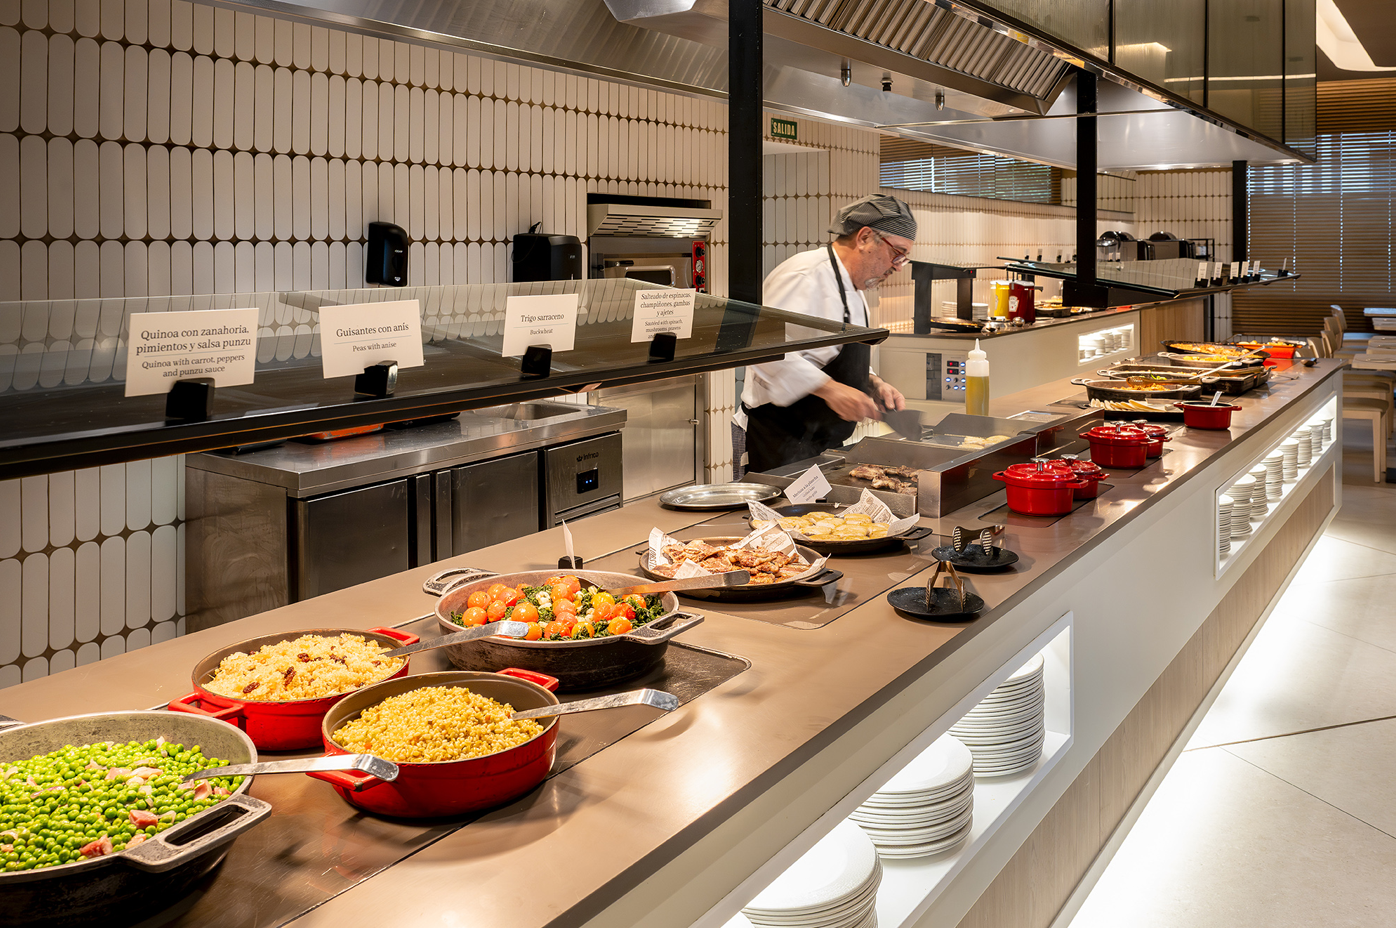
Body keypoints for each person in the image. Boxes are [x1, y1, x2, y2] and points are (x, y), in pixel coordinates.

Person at [735, 194, 915, 475]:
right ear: (865, 238)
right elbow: (762, 350)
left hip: (820, 442)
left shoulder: (853, 285)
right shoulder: (803, 275)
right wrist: (830, 390)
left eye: (904, 258)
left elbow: (827, 354)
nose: (898, 265)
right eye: (897, 253)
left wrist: (872, 383)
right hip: (778, 440)